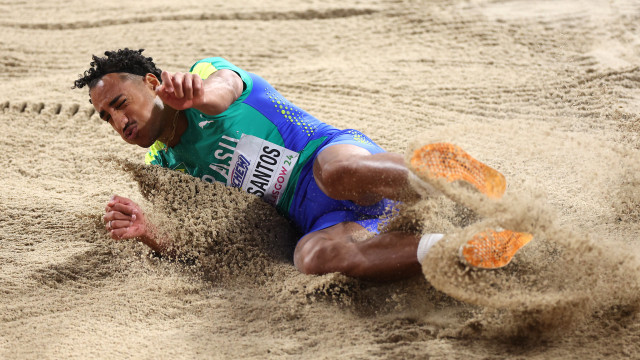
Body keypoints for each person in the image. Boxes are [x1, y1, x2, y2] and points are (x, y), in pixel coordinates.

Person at [73, 48, 532, 282]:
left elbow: (222, 92)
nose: (118, 121)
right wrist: (149, 232)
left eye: (119, 103)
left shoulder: (208, 73)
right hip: (322, 219)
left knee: (333, 174)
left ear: (152, 83)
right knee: (309, 258)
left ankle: (456, 179)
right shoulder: (164, 169)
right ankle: (464, 248)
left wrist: (197, 97)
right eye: (106, 117)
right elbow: (208, 248)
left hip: (336, 158)